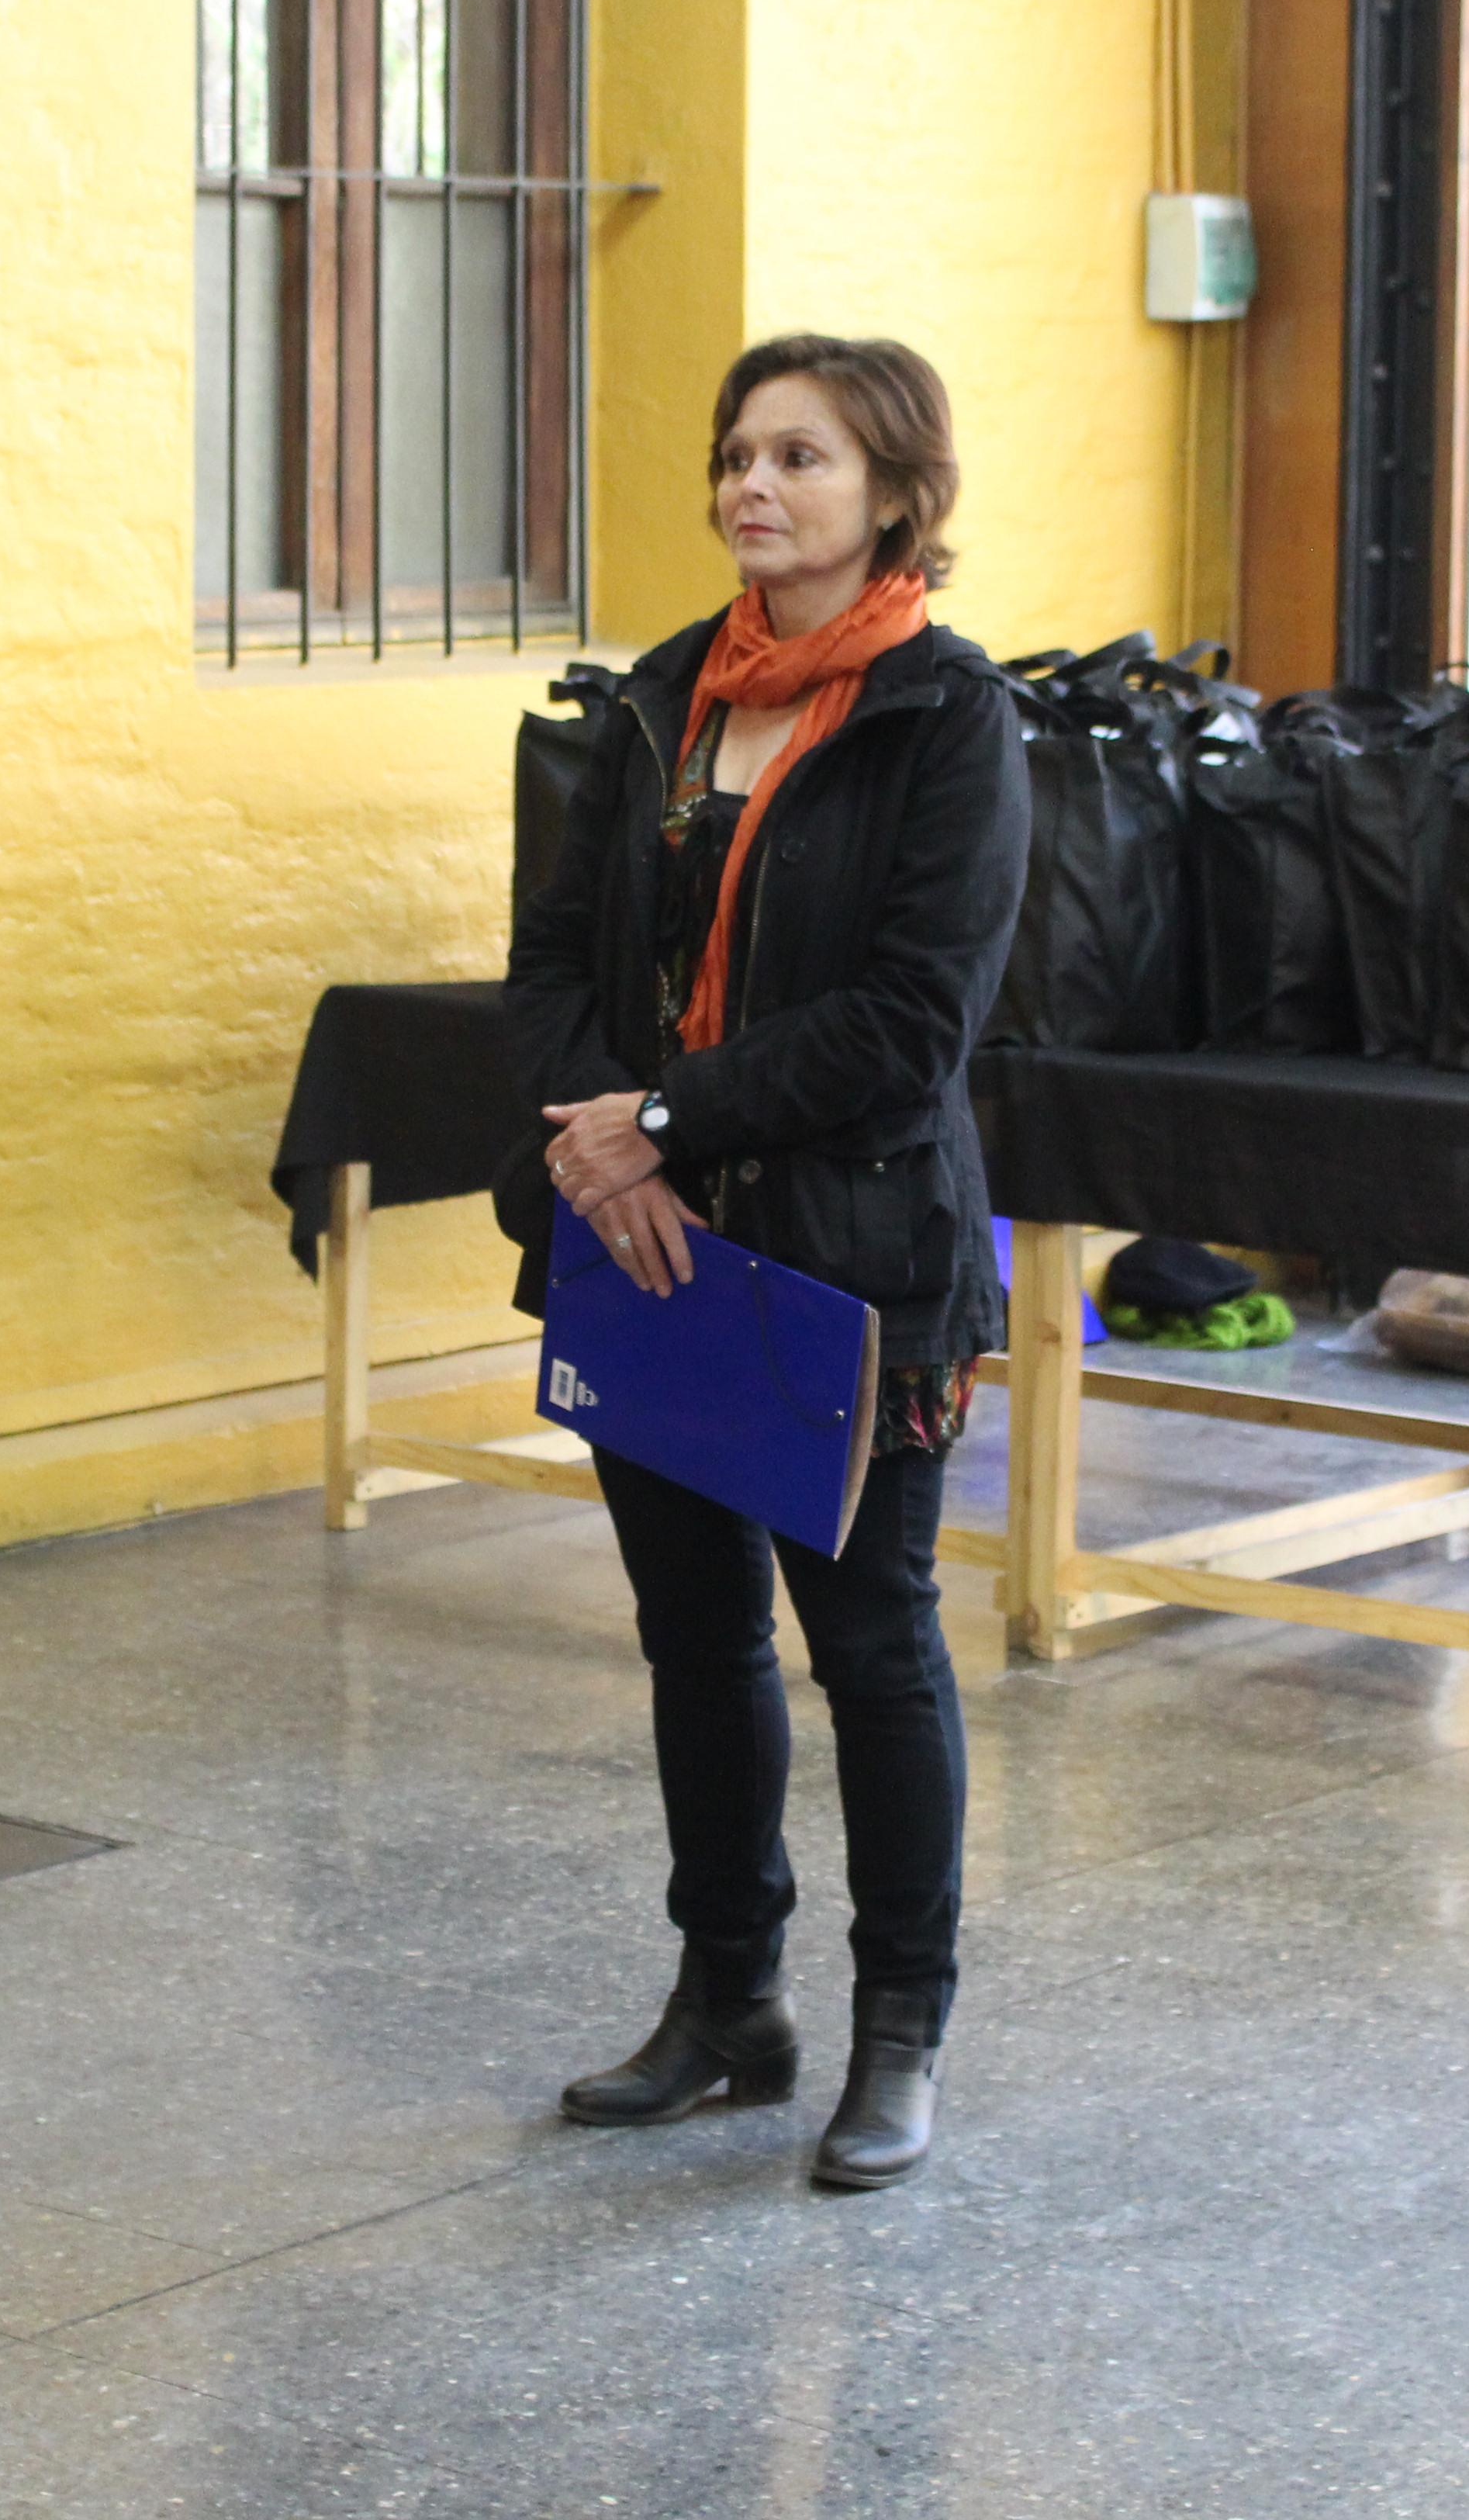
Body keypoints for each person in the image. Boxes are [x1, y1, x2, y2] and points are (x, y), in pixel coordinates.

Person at [504, 334, 1027, 2189]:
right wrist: (601, 1137)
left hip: (853, 1261)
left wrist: (666, 1120)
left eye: (801, 456)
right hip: (652, 1253)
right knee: (693, 1637)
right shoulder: (659, 699)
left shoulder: (944, 719)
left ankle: (901, 2035)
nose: (754, 484)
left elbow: (911, 1023)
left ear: (894, 493)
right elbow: (555, 963)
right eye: (738, 452)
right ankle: (729, 1999)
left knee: (870, 1644)